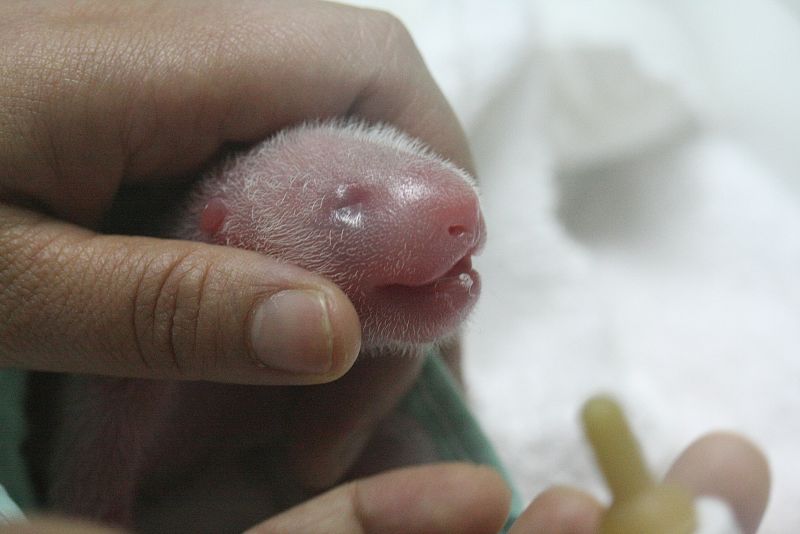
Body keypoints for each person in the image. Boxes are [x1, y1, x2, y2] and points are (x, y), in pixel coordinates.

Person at [0, 1, 769, 532]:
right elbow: (89, 471)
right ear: (224, 231)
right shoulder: (174, 262)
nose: (459, 213)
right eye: (350, 206)